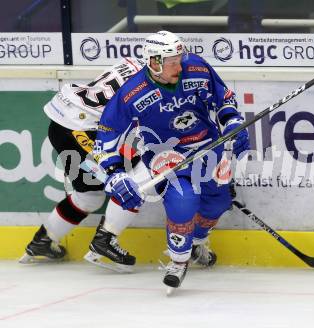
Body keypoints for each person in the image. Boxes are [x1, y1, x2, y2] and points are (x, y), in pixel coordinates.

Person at [90, 30, 249, 289]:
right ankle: (178, 258)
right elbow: (105, 139)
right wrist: (115, 175)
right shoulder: (132, 92)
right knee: (182, 201)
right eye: (172, 61)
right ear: (154, 62)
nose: (179, 65)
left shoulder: (196, 67)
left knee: (217, 204)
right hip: (167, 158)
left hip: (209, 148)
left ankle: (196, 243)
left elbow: (224, 99)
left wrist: (233, 123)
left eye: (179, 58)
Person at [19, 56, 148, 273]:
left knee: (89, 195)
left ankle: (44, 240)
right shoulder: (152, 83)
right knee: (137, 177)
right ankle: (105, 240)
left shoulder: (135, 62)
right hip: (79, 130)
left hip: (63, 124)